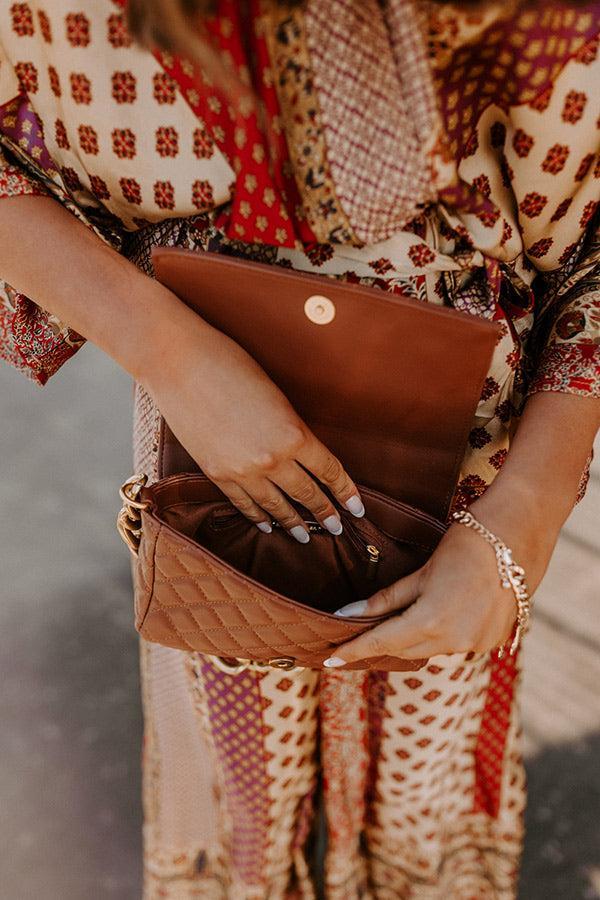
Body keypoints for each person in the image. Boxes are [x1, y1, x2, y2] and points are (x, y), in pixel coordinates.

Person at [0, 0, 598, 896]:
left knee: (432, 735)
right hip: (204, 426)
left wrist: (531, 509)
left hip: (476, 453)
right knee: (231, 723)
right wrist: (171, 354)